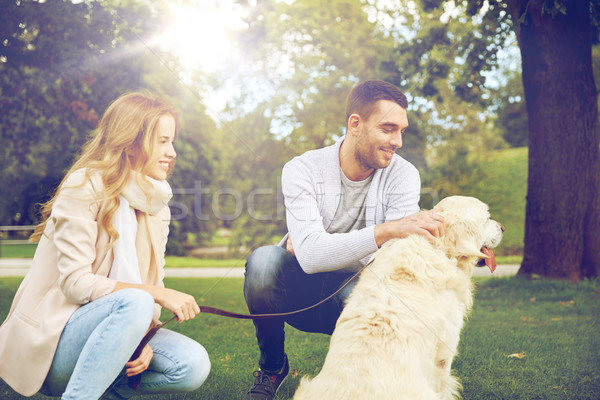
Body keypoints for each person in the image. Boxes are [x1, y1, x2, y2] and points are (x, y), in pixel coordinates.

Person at [0, 92, 210, 399]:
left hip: (116, 325)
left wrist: (143, 338)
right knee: (136, 299)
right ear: (132, 142)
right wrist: (156, 296)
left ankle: (99, 380)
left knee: (192, 364)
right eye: (162, 141)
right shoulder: (85, 185)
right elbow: (75, 283)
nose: (172, 152)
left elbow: (151, 283)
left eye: (172, 141)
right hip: (54, 342)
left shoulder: (156, 205)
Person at [243, 80, 445, 399]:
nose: (398, 141)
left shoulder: (404, 175)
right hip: (299, 295)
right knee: (263, 262)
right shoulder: (303, 169)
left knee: (388, 293)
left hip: (360, 295)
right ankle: (271, 368)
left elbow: (398, 260)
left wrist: (321, 246)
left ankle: (372, 381)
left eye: (401, 131)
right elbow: (309, 259)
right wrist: (387, 230)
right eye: (389, 128)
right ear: (355, 124)